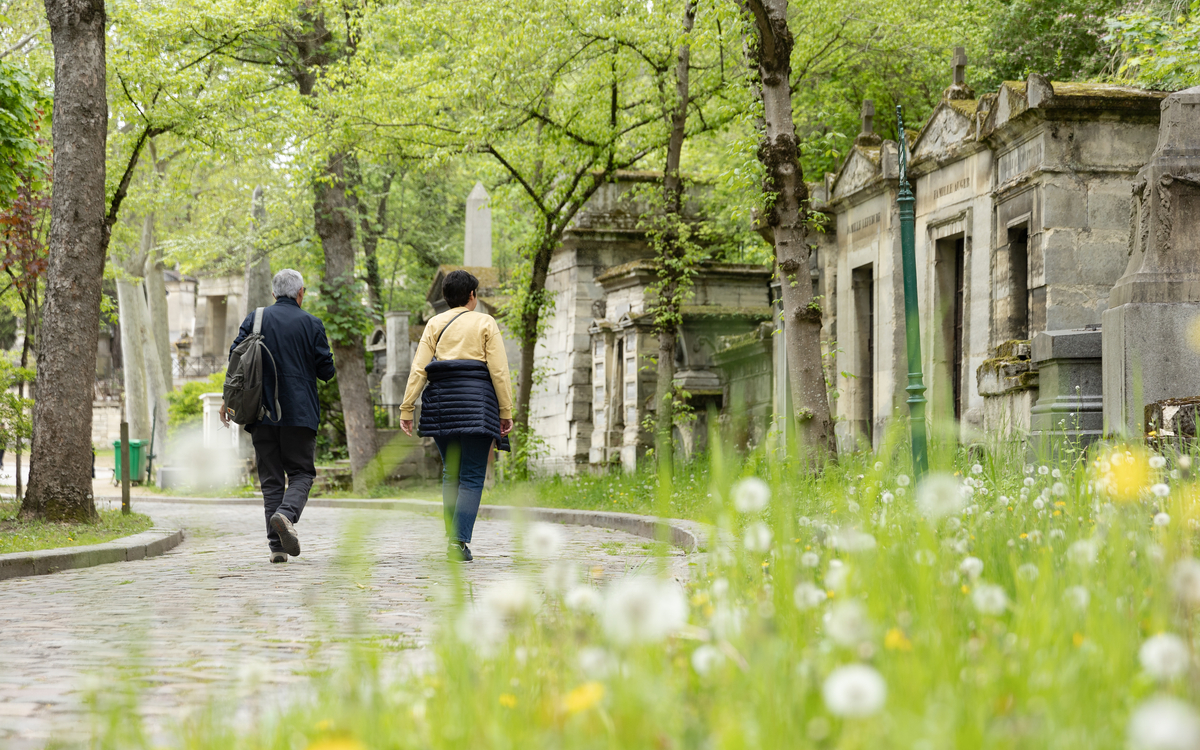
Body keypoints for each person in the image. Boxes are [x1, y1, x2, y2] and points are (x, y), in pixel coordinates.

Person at [220, 269, 336, 563]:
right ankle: (286, 515)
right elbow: (327, 372)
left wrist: (227, 401)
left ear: (273, 294)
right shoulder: (312, 323)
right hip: (300, 413)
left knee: (271, 479)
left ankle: (277, 548)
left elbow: (236, 362)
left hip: (261, 412)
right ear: (301, 293)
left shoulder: (255, 319)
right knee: (302, 473)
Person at [400, 270, 513, 563]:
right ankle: (457, 541)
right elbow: (499, 371)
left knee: (451, 473)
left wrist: (407, 407)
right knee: (472, 474)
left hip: (442, 405)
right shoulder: (485, 322)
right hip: (478, 405)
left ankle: (453, 540)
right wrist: (506, 411)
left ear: (446, 297)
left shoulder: (434, 323)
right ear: (472, 296)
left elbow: (419, 369)